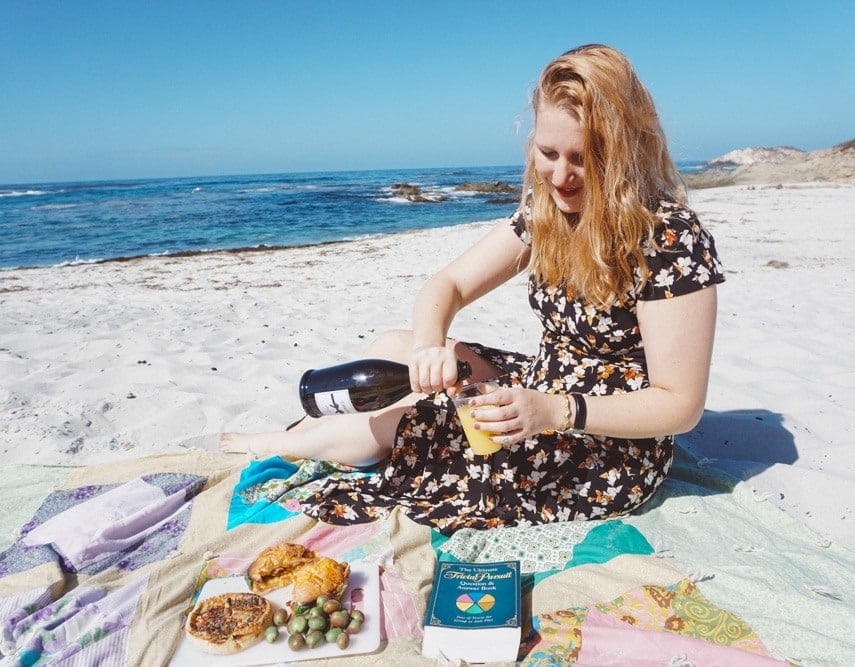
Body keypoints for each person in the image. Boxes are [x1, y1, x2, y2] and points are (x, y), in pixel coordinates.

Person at [220, 44, 724, 534]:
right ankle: (311, 433)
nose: (561, 175)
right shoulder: (546, 211)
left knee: (402, 426)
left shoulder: (668, 239)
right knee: (393, 348)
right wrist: (428, 346)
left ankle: (281, 443)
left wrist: (554, 411)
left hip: (606, 442)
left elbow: (680, 405)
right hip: (543, 385)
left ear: (624, 152)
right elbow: (448, 285)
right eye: (548, 153)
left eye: (583, 158)